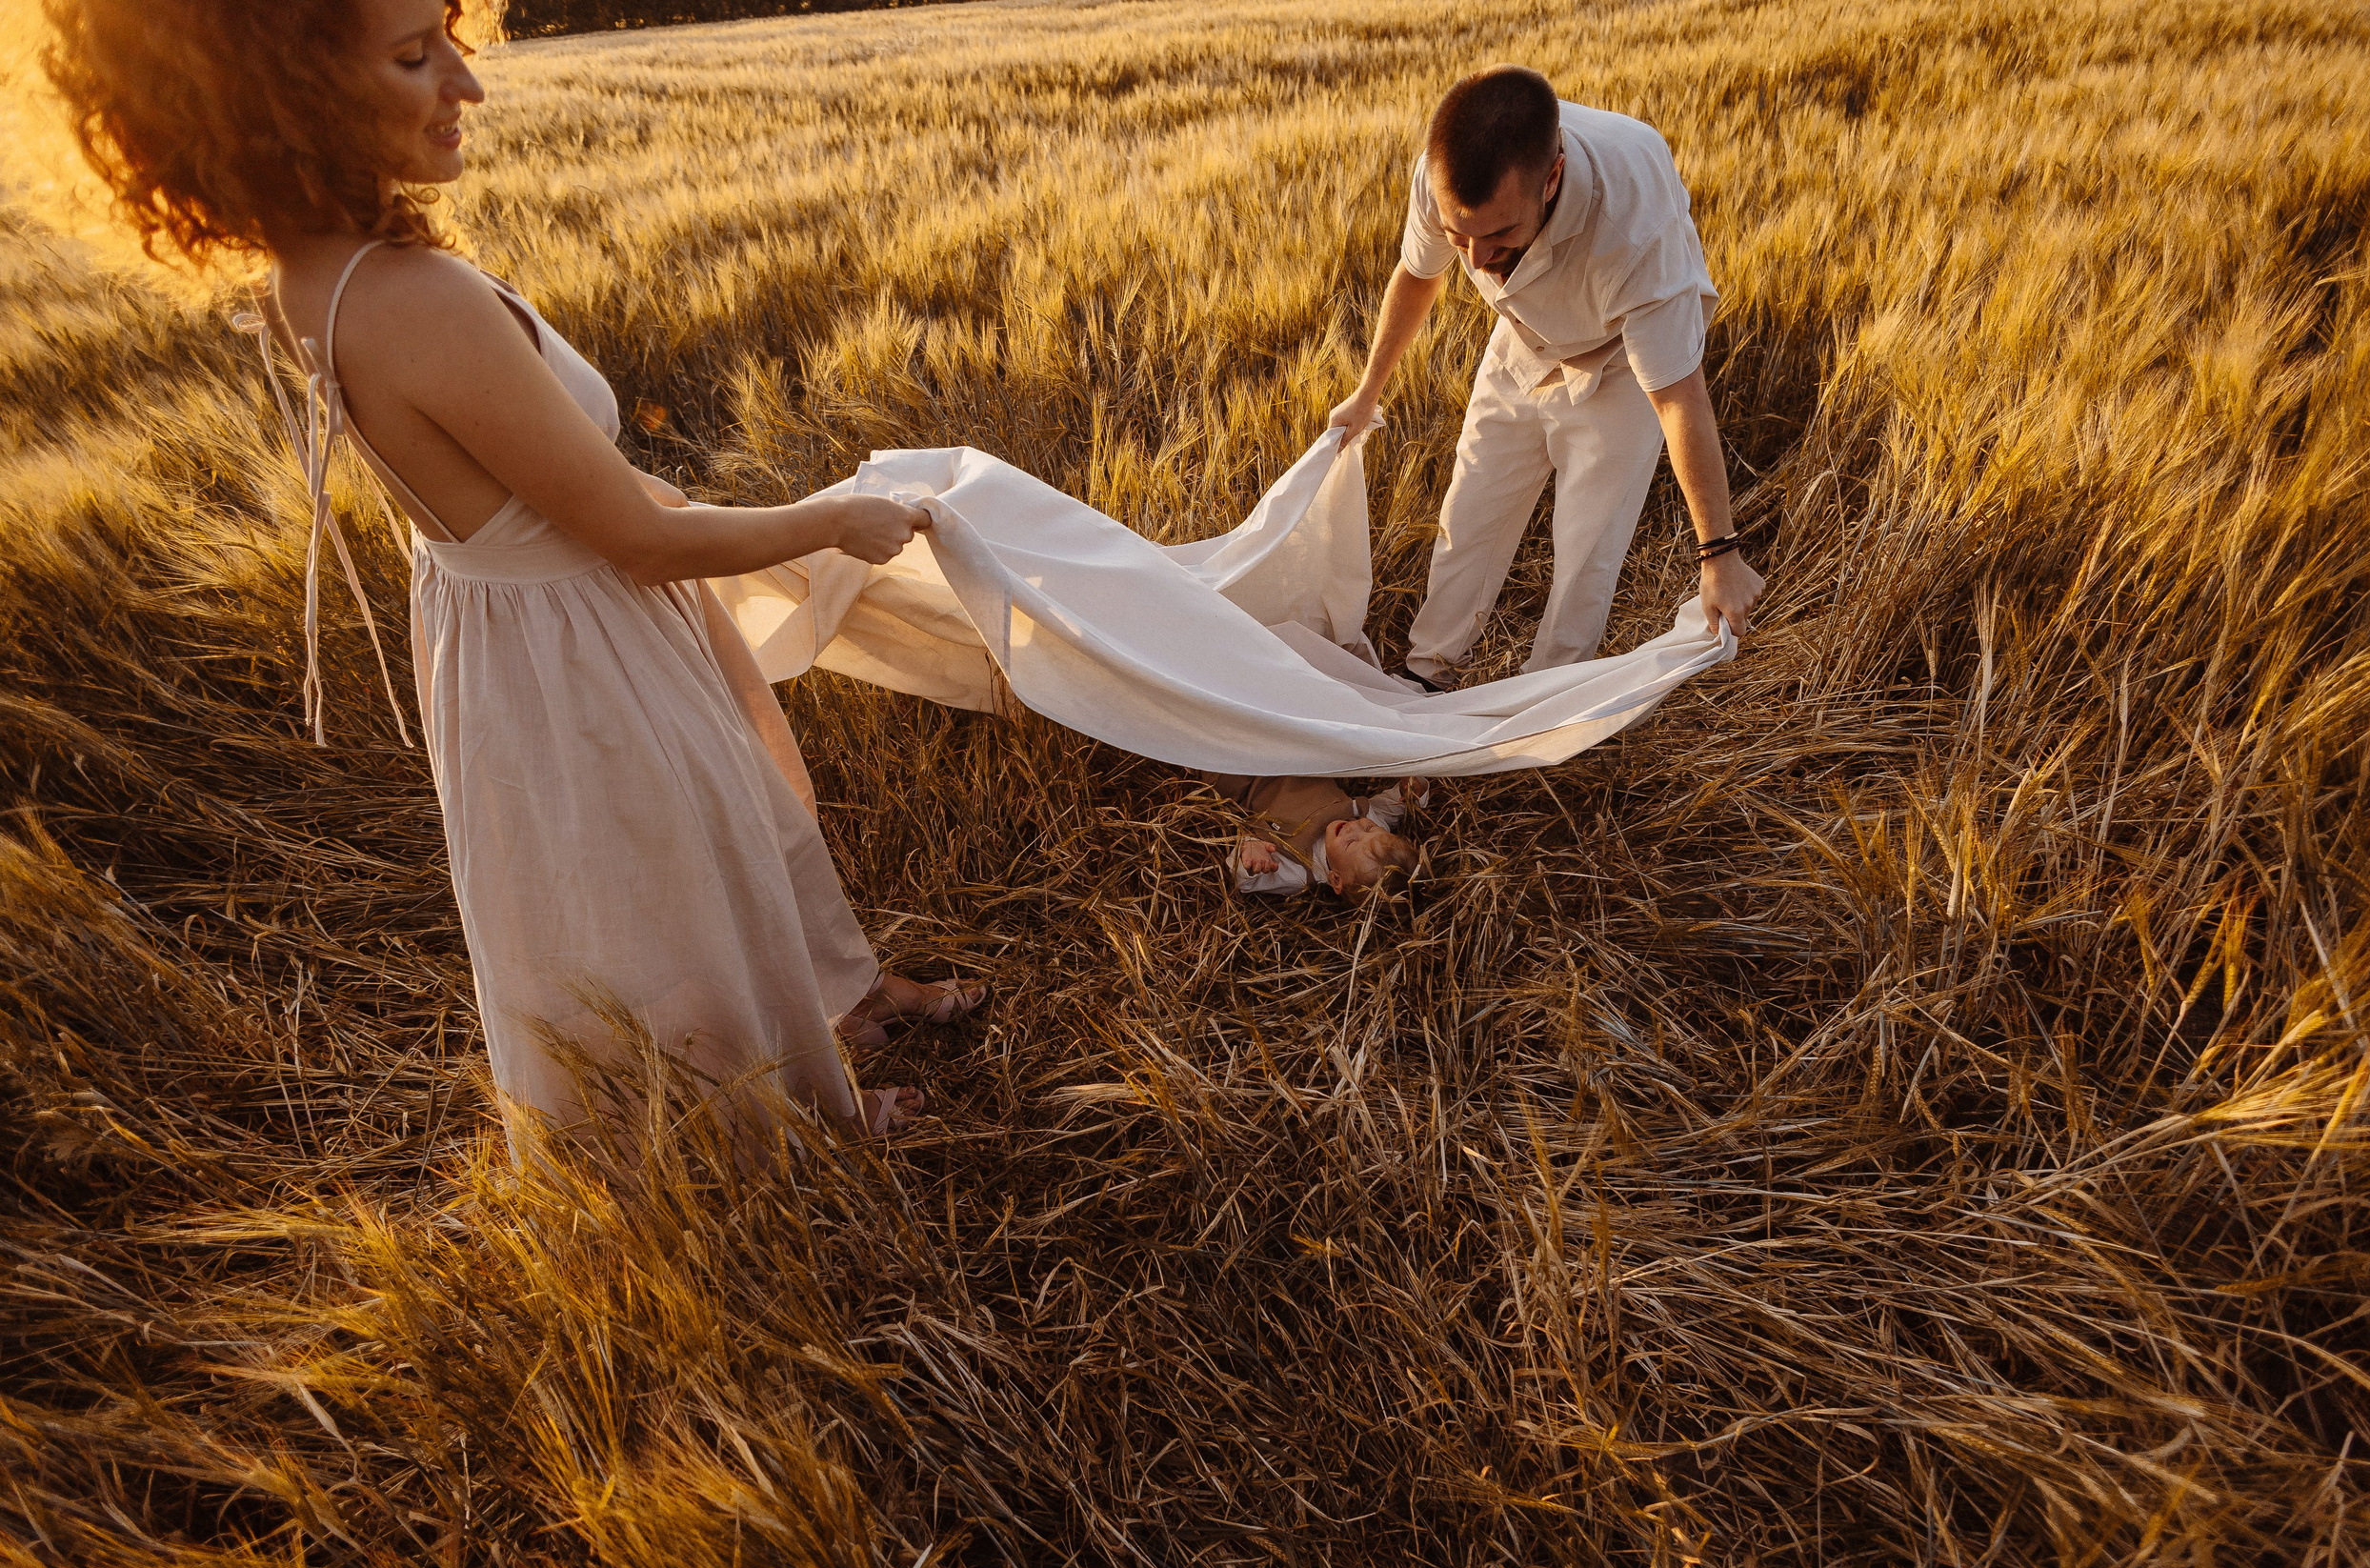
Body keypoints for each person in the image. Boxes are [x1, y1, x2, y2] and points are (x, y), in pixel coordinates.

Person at [42, 0, 979, 1146]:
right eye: (412, 57)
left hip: (513, 627)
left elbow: (526, 498)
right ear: (284, 99)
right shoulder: (410, 301)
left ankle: (844, 1004)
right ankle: (774, 1128)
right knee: (666, 890)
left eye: (449, 38)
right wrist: (832, 520)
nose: (467, 86)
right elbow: (639, 540)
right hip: (579, 636)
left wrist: (662, 510)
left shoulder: (309, 279)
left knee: (698, 847)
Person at [1326, 66, 1767, 689]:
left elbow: (1677, 397)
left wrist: (1719, 555)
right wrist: (1366, 392)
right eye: (1461, 236)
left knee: (1586, 554)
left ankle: (1541, 706)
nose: (1477, 260)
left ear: (1553, 177)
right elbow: (1419, 275)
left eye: (1500, 232)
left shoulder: (1636, 229)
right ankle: (1428, 676)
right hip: (1525, 338)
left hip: (1621, 362)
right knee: (1470, 511)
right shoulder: (1442, 177)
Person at [1196, 774, 1425, 900]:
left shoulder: (1298, 871)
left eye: (1352, 843)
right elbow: (1390, 808)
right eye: (1369, 829)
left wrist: (1251, 853)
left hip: (1246, 780)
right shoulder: (1373, 826)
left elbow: (1242, 880)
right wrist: (1412, 793)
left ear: (1336, 880)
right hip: (1298, 758)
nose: (1354, 828)